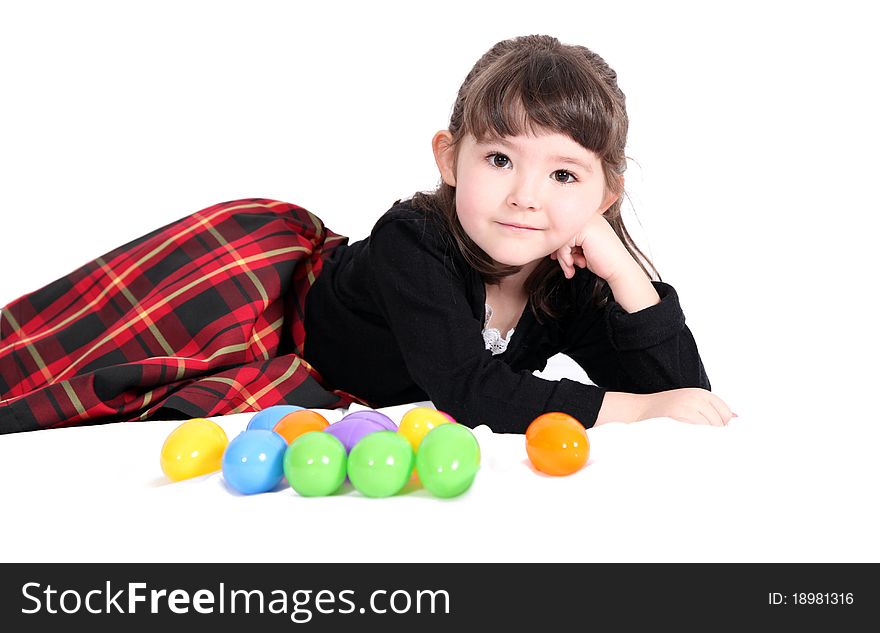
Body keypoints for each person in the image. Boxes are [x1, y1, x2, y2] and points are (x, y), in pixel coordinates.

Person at [0, 34, 734, 435]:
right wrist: (636, 408)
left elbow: (685, 396)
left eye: (565, 177)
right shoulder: (414, 237)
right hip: (265, 298)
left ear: (607, 192)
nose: (525, 197)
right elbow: (469, 391)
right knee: (59, 362)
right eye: (501, 158)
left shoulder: (568, 280)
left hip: (328, 382)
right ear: (450, 158)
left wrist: (623, 270)